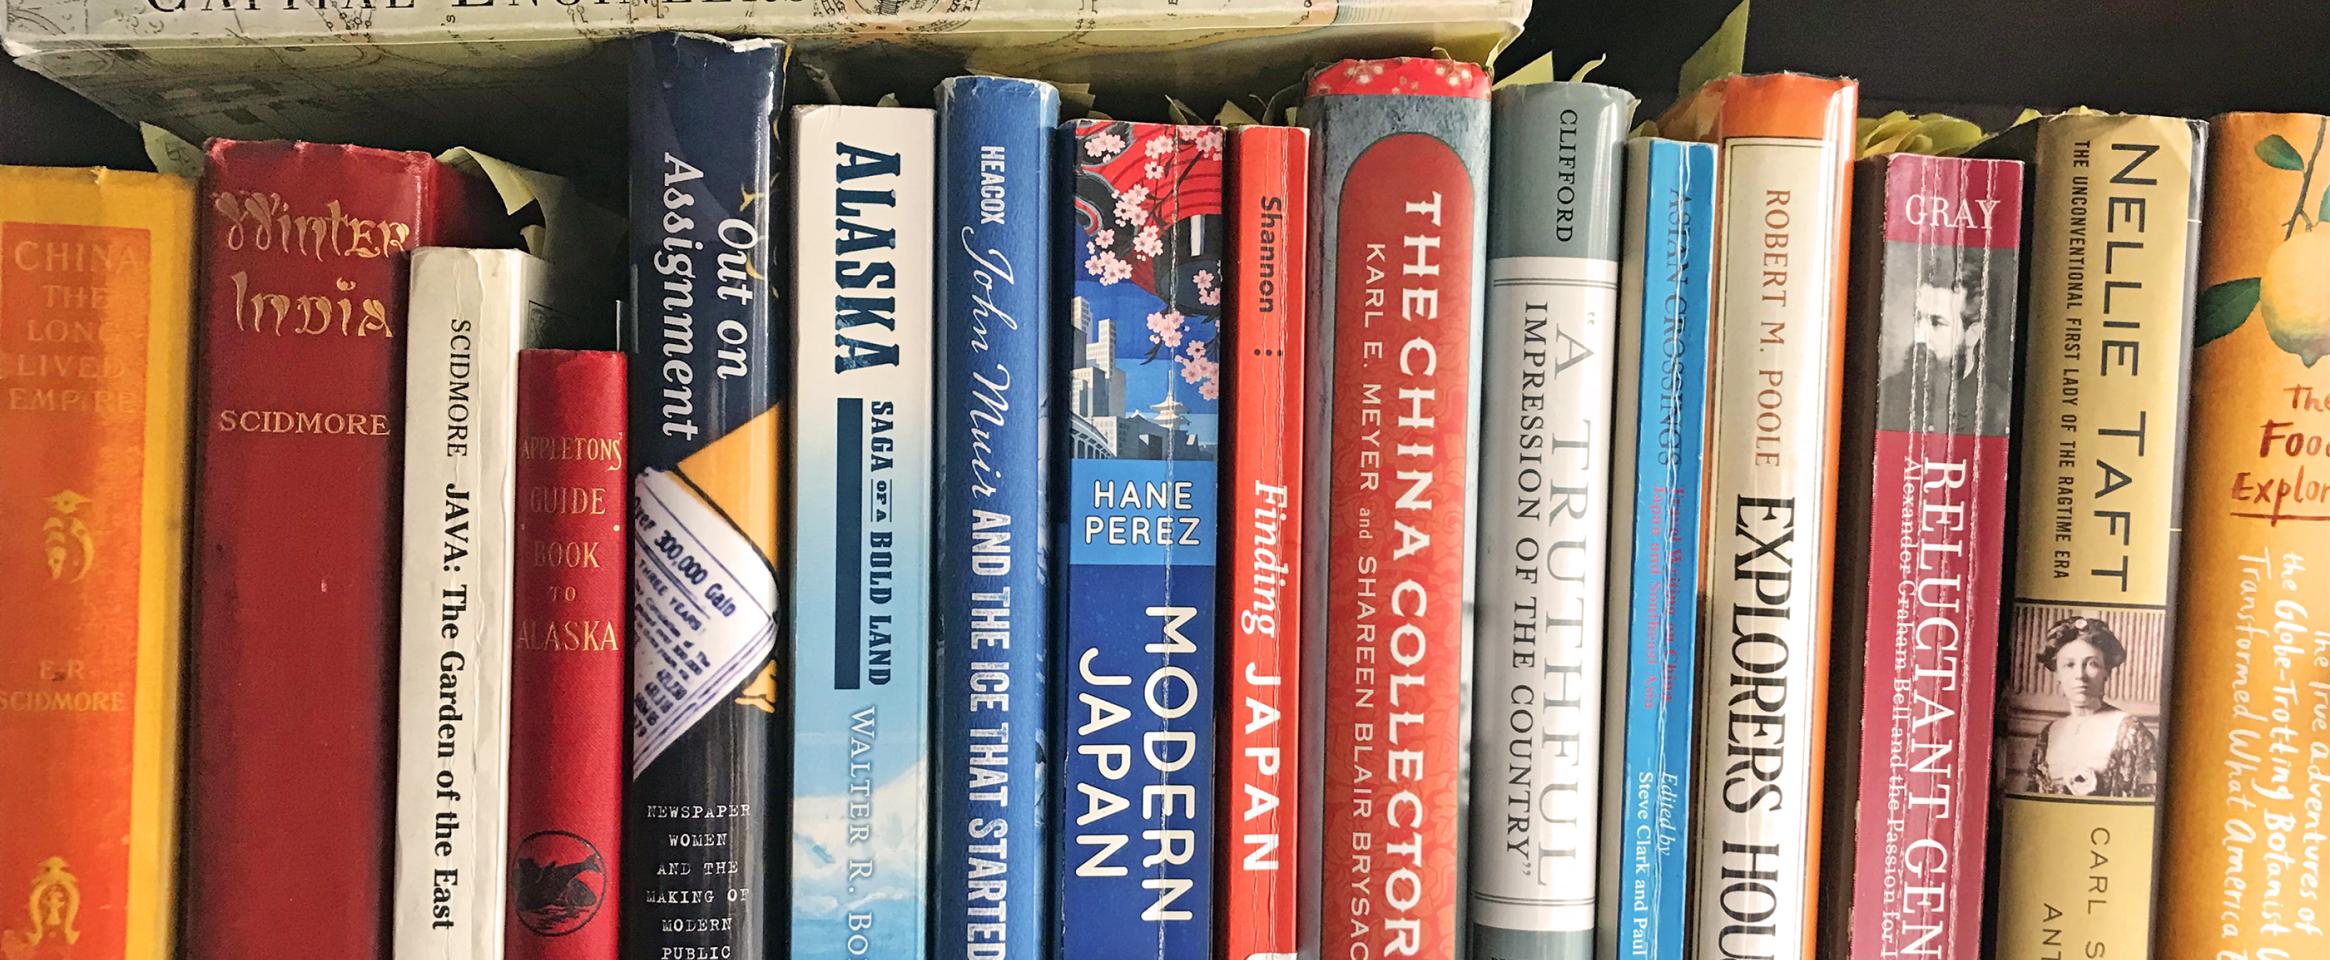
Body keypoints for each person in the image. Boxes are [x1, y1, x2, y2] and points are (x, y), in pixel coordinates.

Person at [2023, 615, 2160, 797]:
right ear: (2058, 675)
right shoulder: (2049, 733)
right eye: (2069, 665)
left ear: (2106, 672)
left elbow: (2147, 802)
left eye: (2092, 664)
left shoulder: (2129, 731)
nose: (2080, 675)